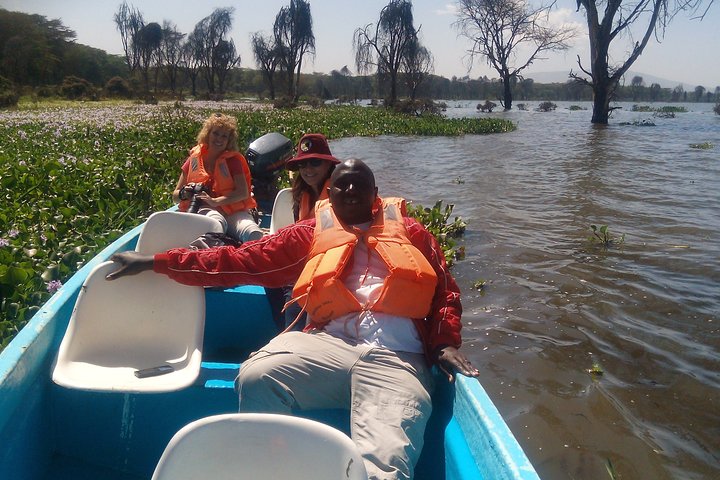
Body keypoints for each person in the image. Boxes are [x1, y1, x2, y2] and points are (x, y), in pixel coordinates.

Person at [108, 159, 480, 480]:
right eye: (341, 186)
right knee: (257, 377)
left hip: (398, 358)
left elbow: (446, 291)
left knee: (384, 467)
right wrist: (158, 261)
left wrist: (444, 341)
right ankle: (277, 467)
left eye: (359, 184)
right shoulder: (311, 232)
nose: (350, 190)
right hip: (326, 345)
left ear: (376, 192)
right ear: (328, 196)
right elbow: (243, 261)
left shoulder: (414, 233)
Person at [267, 132, 341, 331]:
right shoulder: (302, 195)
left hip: (331, 265)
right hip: (305, 262)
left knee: (294, 293)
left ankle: (291, 337)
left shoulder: (340, 195)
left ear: (328, 165)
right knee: (271, 279)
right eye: (303, 164)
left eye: (315, 163)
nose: (308, 169)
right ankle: (284, 333)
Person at [172, 113, 263, 243]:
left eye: (224, 136)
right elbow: (175, 196)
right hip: (205, 209)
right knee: (215, 224)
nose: (219, 139)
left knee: (252, 232)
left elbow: (243, 193)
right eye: (216, 133)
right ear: (208, 134)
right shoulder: (194, 160)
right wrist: (184, 193)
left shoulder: (233, 161)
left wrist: (216, 201)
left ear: (228, 141)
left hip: (233, 211)